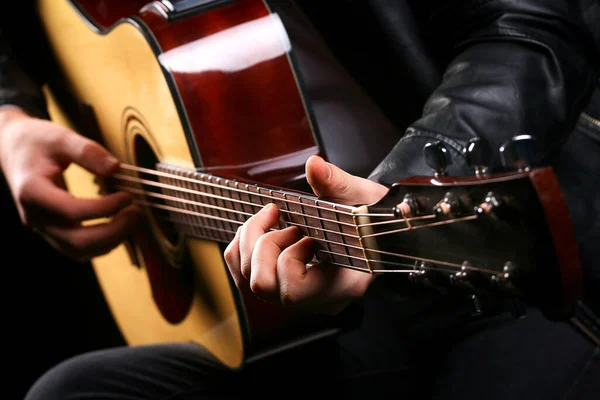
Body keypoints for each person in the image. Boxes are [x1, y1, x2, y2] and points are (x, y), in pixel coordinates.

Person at [1, 0, 599, 398]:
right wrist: (8, 122)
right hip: (280, 321)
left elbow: (528, 22)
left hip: (470, 249)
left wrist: (406, 185)